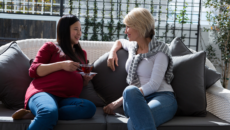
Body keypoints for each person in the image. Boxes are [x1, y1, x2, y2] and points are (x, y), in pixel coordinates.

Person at [12, 14, 96, 130]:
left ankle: (36, 113)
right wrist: (61, 65)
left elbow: (78, 81)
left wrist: (85, 80)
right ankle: (46, 112)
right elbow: (33, 70)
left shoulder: (82, 53)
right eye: (75, 29)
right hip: (43, 92)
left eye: (80, 30)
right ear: (64, 30)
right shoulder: (50, 47)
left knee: (89, 108)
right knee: (48, 112)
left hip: (67, 99)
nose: (79, 33)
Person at [104, 8, 178, 130]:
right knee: (130, 91)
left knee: (133, 123)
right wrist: (112, 53)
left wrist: (116, 103)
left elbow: (154, 85)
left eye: (128, 26)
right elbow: (119, 42)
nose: (125, 30)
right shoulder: (132, 46)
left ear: (140, 26)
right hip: (134, 101)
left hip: (162, 97)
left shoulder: (160, 51)